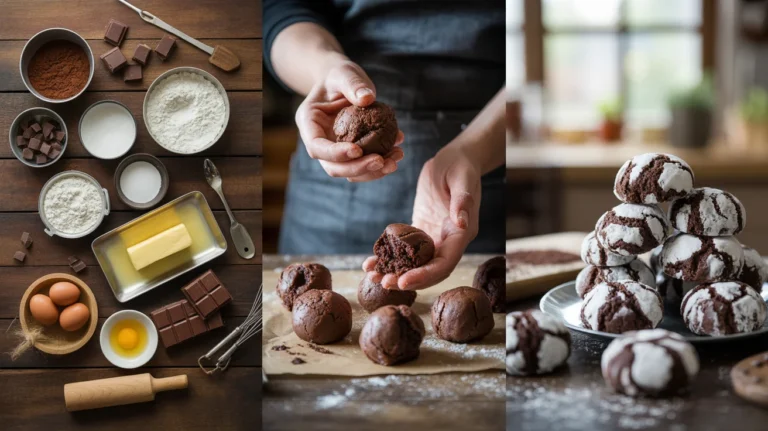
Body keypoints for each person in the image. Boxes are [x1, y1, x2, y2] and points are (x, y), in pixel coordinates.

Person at [265, 0, 505, 291]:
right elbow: (278, 8)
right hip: (331, 190)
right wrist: (325, 68)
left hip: (479, 175)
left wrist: (474, 151)